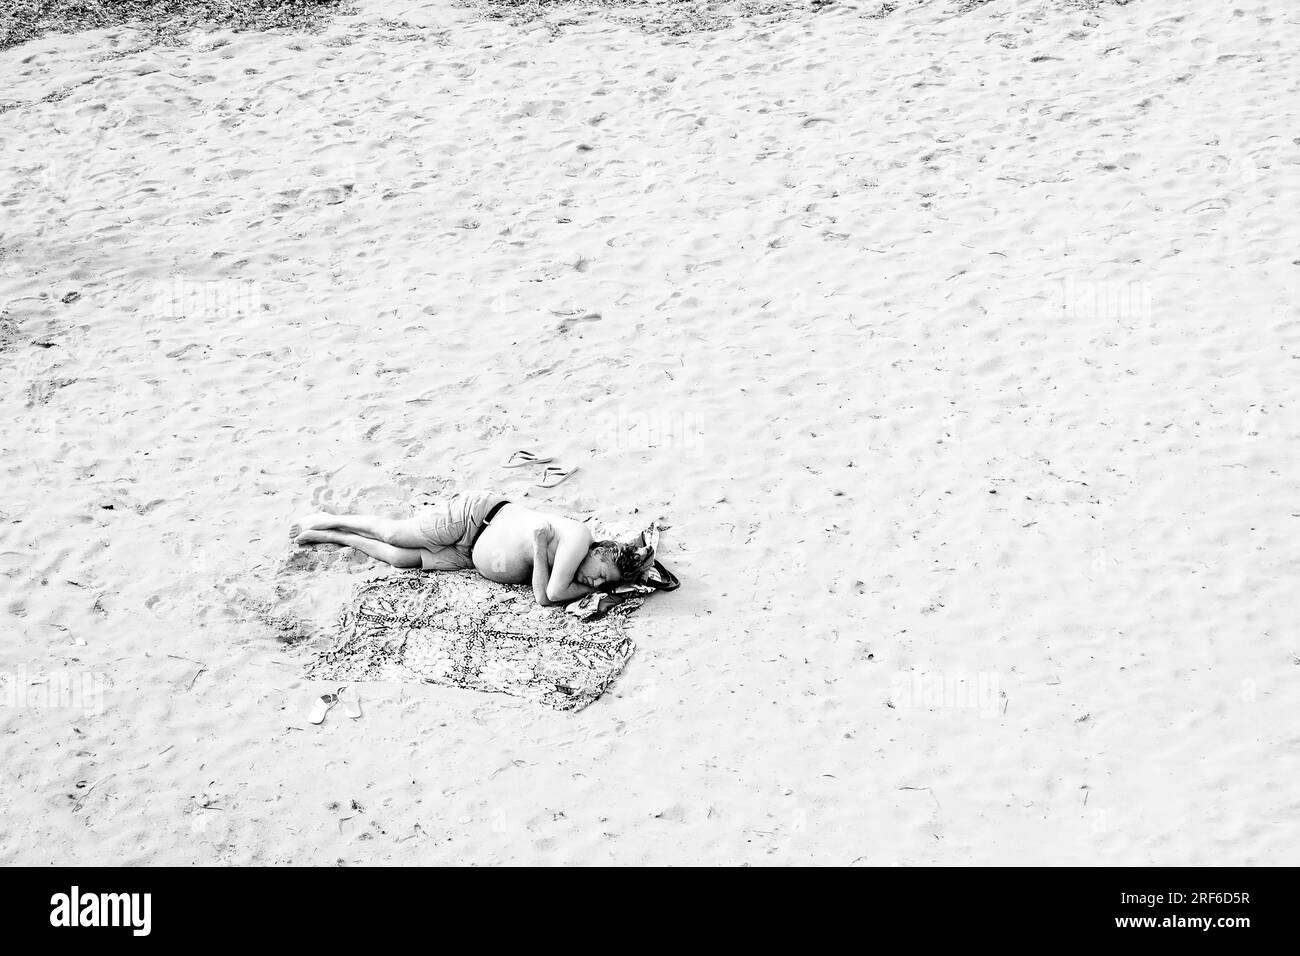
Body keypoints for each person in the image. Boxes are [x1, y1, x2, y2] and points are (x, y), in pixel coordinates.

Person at [289, 490, 650, 606]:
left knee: (401, 559)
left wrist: (539, 551)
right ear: (600, 552)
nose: (596, 585)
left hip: (471, 553)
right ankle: (331, 518)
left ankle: (336, 537)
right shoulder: (578, 540)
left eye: (604, 585)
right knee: (397, 536)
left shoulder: (568, 565)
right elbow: (551, 594)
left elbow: (543, 596)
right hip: (475, 518)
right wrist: (540, 549)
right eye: (601, 575)